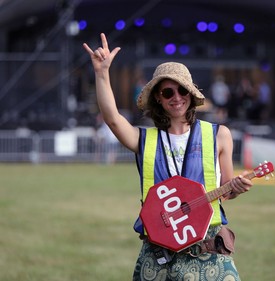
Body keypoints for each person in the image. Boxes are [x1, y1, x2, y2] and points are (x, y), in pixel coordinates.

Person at [83, 33, 253, 281]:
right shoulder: (143, 139)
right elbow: (112, 118)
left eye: (182, 90)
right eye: (168, 92)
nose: (176, 97)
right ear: (158, 99)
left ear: (191, 94)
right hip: (159, 251)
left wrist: (237, 186)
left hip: (207, 251)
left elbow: (227, 191)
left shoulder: (219, 135)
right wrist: (101, 73)